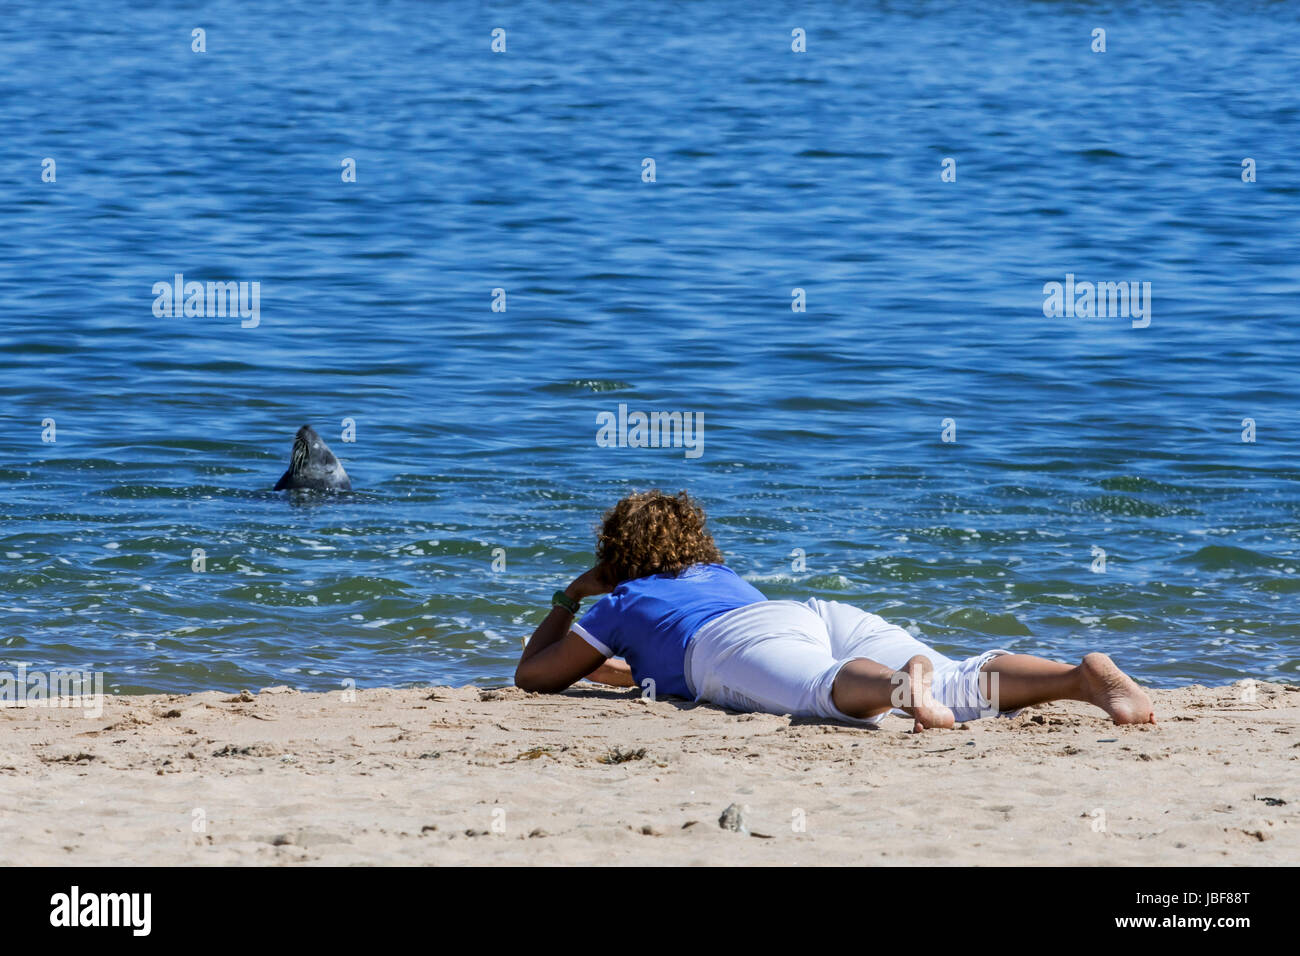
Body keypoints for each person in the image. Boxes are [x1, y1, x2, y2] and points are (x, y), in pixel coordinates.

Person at [515, 490, 1156, 730]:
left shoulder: (624, 600)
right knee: (964, 682)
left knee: (824, 690)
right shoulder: (718, 574)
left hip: (728, 646)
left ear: (617, 556)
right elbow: (635, 676)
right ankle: (1079, 676)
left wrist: (573, 594)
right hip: (808, 614)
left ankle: (903, 687)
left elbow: (535, 675)